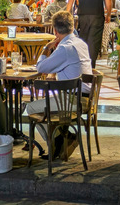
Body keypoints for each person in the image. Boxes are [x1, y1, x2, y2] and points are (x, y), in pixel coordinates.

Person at [25, 11, 93, 147]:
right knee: (47, 103)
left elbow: (41, 68)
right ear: (72, 27)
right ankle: (62, 139)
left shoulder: (65, 48)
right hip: (86, 98)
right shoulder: (81, 44)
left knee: (31, 108)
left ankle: (59, 142)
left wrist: (46, 48)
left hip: (71, 101)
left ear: (55, 31)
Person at [67, 0, 114, 69]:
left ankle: (82, 66)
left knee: (83, 39)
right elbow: (108, 1)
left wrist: (68, 13)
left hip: (83, 15)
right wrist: (108, 14)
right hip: (97, 15)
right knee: (94, 42)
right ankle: (90, 68)